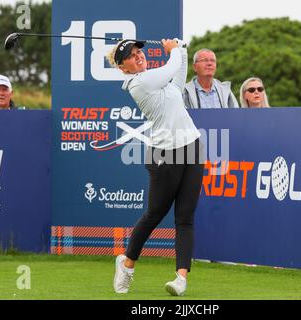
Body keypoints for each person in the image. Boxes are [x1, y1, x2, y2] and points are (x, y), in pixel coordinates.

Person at [107, 39, 205, 296]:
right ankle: (127, 264)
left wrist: (181, 50)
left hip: (192, 148)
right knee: (154, 215)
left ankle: (181, 278)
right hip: (165, 155)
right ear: (123, 67)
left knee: (185, 218)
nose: (138, 56)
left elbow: (178, 75)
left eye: (139, 51)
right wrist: (173, 50)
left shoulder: (158, 81)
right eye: (131, 55)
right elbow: (171, 67)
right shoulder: (139, 83)